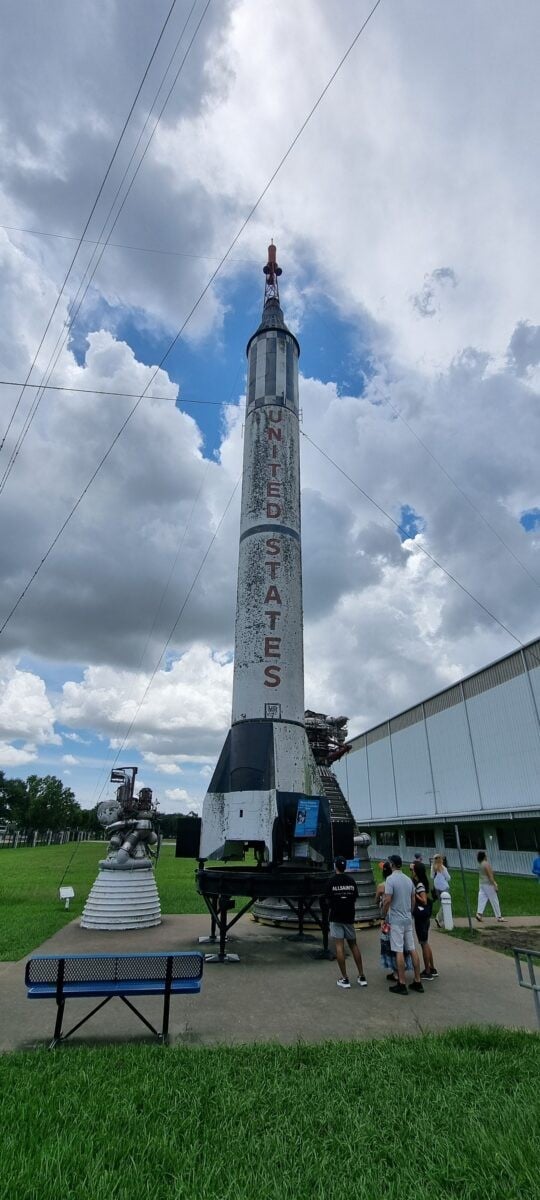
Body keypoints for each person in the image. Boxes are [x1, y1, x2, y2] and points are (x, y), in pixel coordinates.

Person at [382, 855, 424, 995]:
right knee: (412, 948)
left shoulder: (390, 879)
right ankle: (417, 981)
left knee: (398, 950)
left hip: (396, 920)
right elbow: (413, 899)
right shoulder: (408, 880)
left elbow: (387, 900)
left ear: (392, 864)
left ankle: (401, 982)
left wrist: (383, 914)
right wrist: (409, 912)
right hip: (407, 919)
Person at [325, 855, 367, 988]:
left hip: (336, 917)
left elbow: (327, 900)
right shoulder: (351, 881)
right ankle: (361, 976)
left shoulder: (331, 882)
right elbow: (354, 898)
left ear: (335, 866)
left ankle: (345, 978)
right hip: (349, 917)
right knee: (354, 945)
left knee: (339, 946)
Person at [412, 863, 438, 980]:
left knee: (423, 943)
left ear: (417, 871)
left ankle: (427, 971)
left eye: (412, 869)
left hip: (421, 917)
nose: (411, 871)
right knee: (425, 942)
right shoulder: (420, 882)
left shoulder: (420, 885)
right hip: (424, 917)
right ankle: (432, 968)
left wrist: (414, 894)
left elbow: (424, 900)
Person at [476, 851, 504, 921]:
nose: (486, 856)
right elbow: (490, 876)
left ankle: (479, 914)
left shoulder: (480, 864)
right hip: (488, 884)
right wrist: (495, 884)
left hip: (482, 883)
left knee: (482, 899)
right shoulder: (486, 864)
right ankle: (499, 917)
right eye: (486, 855)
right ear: (484, 856)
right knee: (494, 899)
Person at [430, 853, 451, 928]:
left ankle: (442, 920)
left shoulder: (433, 867)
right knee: (445, 903)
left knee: (441, 903)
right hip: (444, 887)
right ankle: (439, 917)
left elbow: (431, 876)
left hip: (436, 887)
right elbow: (448, 877)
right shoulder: (443, 868)